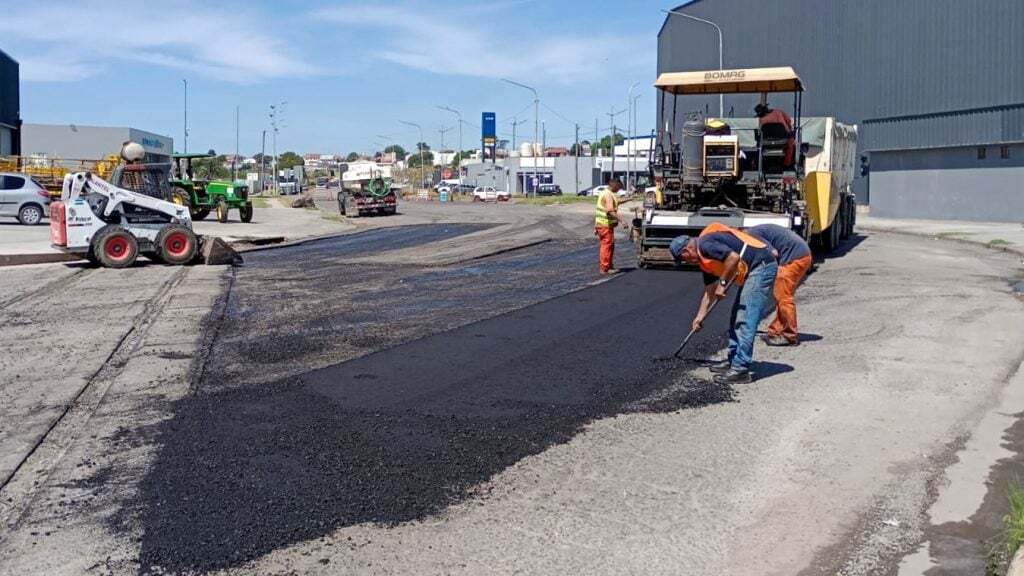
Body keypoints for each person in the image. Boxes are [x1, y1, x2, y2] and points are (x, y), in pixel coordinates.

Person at [669, 223, 778, 384]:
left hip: (762, 266)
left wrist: (723, 283)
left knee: (745, 318)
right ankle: (734, 359)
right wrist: (699, 317)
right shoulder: (704, 260)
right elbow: (709, 292)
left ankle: (740, 369)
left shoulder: (706, 245)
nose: (686, 262)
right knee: (735, 316)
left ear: (686, 251)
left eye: (683, 259)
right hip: (753, 269)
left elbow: (733, 258)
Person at [749, 224, 813, 346]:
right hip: (800, 255)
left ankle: (789, 335)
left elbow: (773, 252)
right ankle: (776, 331)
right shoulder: (755, 231)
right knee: (780, 294)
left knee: (784, 297)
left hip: (795, 259)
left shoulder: (752, 235)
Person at [755, 102, 795, 167]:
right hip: (783, 139)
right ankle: (787, 164)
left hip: (767, 142)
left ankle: (761, 164)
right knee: (791, 144)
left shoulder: (762, 120)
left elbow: (763, 132)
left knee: (758, 145)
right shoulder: (779, 112)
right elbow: (789, 121)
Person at [595, 179, 622, 274]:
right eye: (618, 187)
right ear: (614, 185)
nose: (619, 190)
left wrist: (629, 199)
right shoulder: (608, 195)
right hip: (605, 225)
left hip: (601, 224)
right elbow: (610, 210)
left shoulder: (604, 193)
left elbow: (616, 202)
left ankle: (607, 266)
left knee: (608, 245)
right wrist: (622, 220)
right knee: (607, 246)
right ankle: (605, 268)